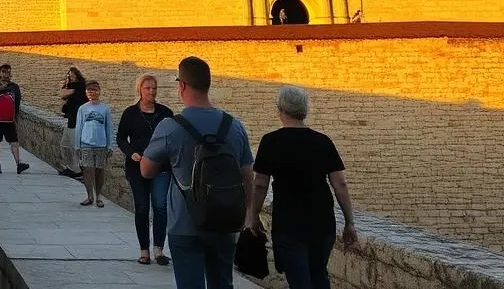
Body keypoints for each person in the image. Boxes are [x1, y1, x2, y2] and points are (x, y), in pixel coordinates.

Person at [141, 56, 254, 289]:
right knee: (222, 284)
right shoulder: (234, 126)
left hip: (185, 223)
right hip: (226, 220)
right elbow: (247, 177)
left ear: (182, 85)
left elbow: (146, 170)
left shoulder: (170, 127)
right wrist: (247, 216)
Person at [245, 86, 358, 289]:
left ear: (281, 109)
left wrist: (254, 216)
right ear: (304, 111)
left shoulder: (271, 142)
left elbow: (260, 185)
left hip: (289, 224)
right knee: (319, 274)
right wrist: (349, 222)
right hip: (322, 223)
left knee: (299, 280)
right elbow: (340, 184)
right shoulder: (323, 141)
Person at [117, 74, 175, 266]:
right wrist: (131, 152)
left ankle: (159, 249)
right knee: (142, 207)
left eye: (154, 88)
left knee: (160, 205)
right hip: (137, 167)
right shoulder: (130, 113)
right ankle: (144, 250)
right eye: (147, 88)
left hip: (161, 167)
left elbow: (173, 138)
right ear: (140, 90)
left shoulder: (166, 113)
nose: (151, 91)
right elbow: (121, 138)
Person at [0, 63, 30, 175]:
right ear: (0, 72)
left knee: (14, 141)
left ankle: (18, 164)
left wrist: (16, 117)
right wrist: (0, 89)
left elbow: (17, 103)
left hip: (9, 120)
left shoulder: (14, 87)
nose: (6, 74)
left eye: (8, 72)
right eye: (4, 72)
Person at [74, 80, 114, 207]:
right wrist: (77, 145)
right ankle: (89, 196)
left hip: (101, 144)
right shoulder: (82, 108)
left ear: (99, 91)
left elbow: (109, 127)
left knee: (99, 171)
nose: (91, 92)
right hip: (86, 143)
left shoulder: (105, 108)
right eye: (89, 90)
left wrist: (110, 145)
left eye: (94, 90)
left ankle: (98, 197)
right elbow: (79, 127)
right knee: (87, 170)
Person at [57, 66, 88, 178]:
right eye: (69, 75)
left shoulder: (79, 86)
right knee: (65, 145)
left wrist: (66, 84)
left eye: (71, 75)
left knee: (75, 147)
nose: (70, 77)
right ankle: (71, 167)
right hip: (70, 120)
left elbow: (62, 94)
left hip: (76, 122)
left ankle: (78, 170)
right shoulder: (74, 87)